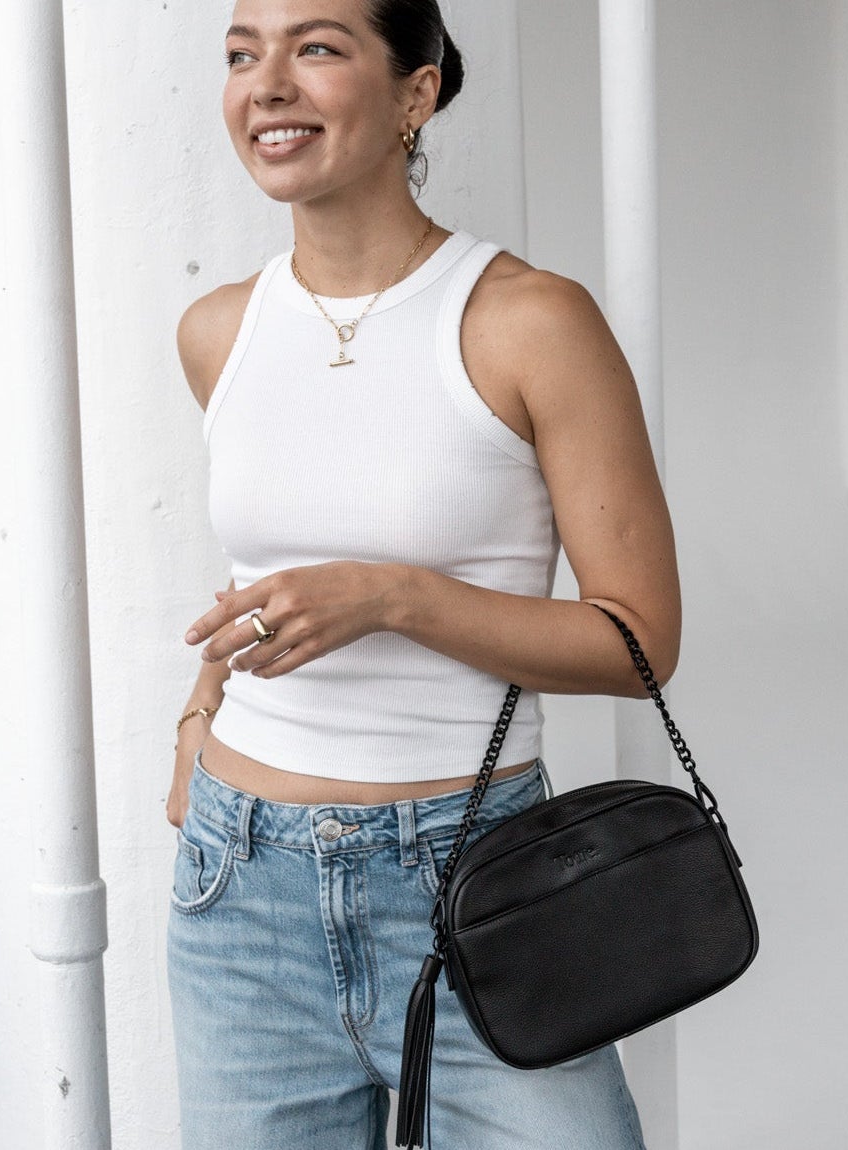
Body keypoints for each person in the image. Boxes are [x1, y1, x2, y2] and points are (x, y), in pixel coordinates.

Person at [167, 1, 678, 1144]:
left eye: (317, 47)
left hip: (475, 875)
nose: (267, 84)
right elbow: (259, 571)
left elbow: (639, 641)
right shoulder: (218, 331)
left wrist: (394, 596)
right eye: (243, 54)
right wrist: (197, 715)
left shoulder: (528, 321)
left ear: (417, 90)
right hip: (238, 887)